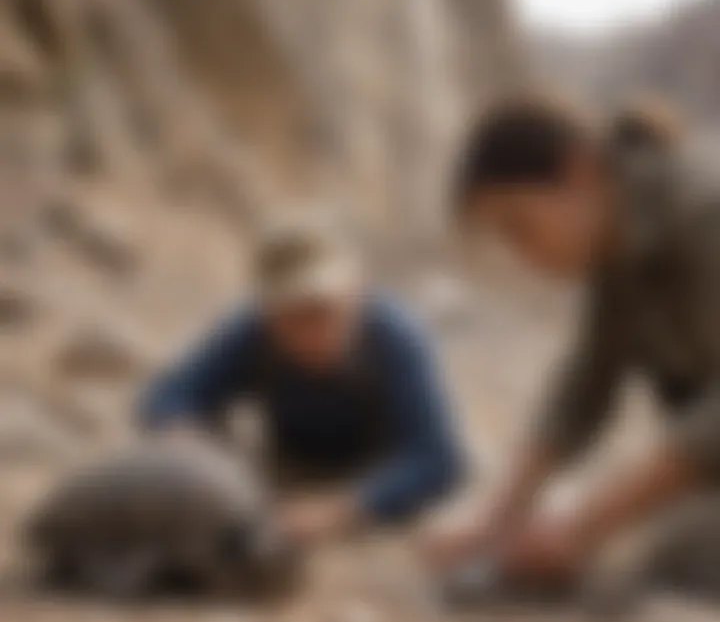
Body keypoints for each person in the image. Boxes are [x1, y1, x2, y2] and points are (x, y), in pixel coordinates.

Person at [426, 93, 720, 590]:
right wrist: (496, 518)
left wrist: (587, 521)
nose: (522, 254)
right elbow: (585, 387)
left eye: (519, 226)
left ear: (578, 171)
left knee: (681, 562)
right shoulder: (617, 241)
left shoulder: (703, 212)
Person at [140, 222, 463, 546]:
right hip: (287, 469)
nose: (314, 331)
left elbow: (438, 459)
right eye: (295, 316)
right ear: (269, 313)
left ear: (356, 294)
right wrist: (184, 439)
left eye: (326, 311)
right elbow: (170, 396)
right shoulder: (250, 331)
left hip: (378, 480)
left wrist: (342, 510)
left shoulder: (396, 336)